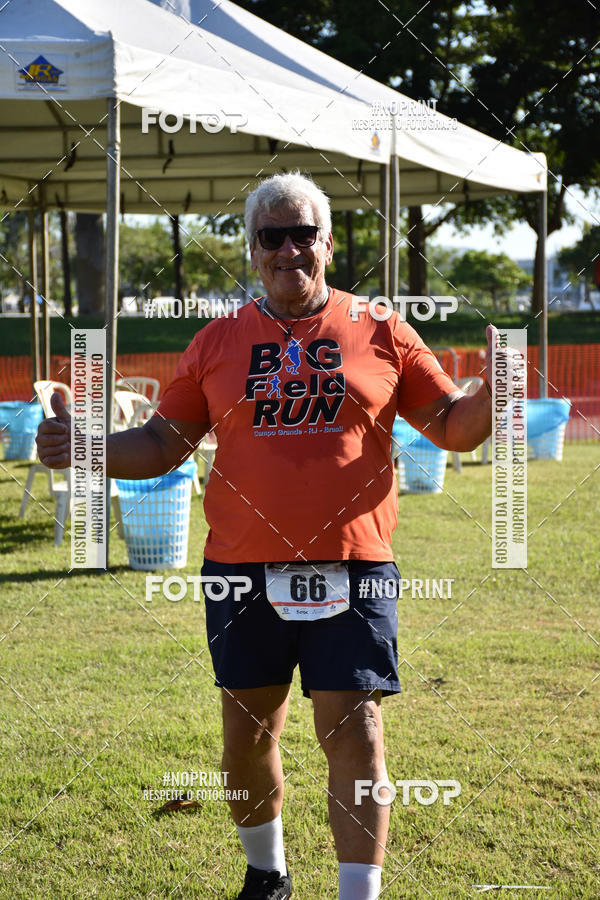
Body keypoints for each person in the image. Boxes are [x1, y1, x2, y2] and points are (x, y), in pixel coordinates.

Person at [37, 172, 496, 900]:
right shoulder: (218, 341)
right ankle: (266, 874)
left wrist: (493, 394)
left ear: (328, 242)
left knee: (356, 732)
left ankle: (357, 894)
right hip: (242, 569)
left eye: (302, 233)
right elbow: (161, 443)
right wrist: (85, 445)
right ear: (252, 251)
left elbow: (452, 426)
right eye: (271, 237)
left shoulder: (380, 328)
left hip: (354, 566)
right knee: (248, 736)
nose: (288, 249)